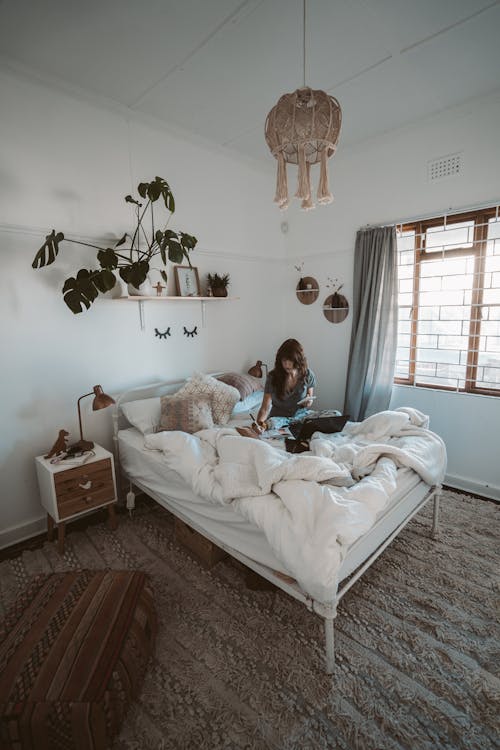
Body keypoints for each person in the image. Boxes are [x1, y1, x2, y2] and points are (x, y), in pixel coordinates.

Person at [255, 339, 316, 429]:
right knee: (272, 423)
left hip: (300, 417)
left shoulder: (307, 374)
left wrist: (308, 402)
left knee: (334, 414)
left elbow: (309, 398)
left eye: (290, 360)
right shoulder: (272, 377)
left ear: (298, 359)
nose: (287, 364)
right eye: (284, 360)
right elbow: (265, 408)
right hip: (279, 418)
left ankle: (296, 425)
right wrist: (258, 424)